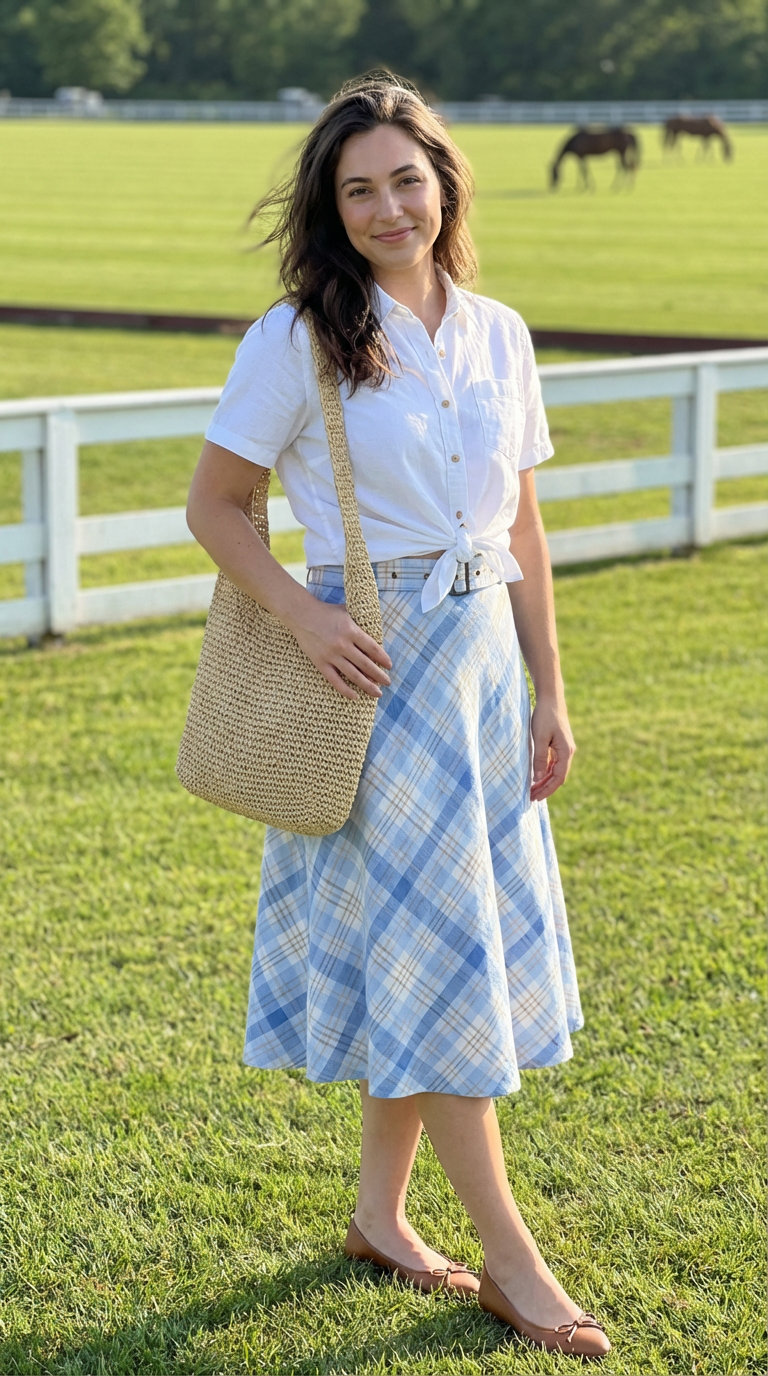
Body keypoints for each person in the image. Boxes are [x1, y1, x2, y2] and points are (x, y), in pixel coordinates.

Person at [186, 72, 611, 1361]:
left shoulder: (498, 330)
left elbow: (522, 524)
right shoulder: (295, 337)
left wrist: (550, 686)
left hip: (484, 665)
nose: (386, 207)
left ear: (445, 184)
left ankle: (381, 1215)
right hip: (369, 668)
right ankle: (514, 1262)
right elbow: (214, 506)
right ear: (331, 204)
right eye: (358, 187)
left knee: (426, 949)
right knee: (436, 961)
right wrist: (308, 618)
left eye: (406, 180)